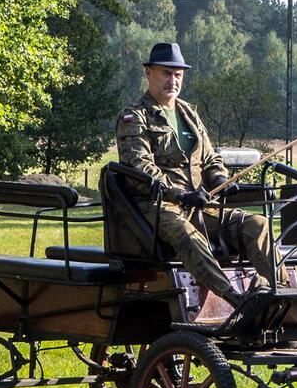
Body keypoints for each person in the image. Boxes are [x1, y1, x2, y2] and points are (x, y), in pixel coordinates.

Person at [115, 42, 283, 325]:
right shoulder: (135, 117)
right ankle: (238, 301)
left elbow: (210, 157)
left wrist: (219, 178)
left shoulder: (189, 114)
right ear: (148, 73)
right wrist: (180, 194)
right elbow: (139, 167)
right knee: (188, 235)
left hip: (201, 205)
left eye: (178, 74)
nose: (173, 80)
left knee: (257, 225)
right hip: (157, 209)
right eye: (166, 73)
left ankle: (281, 295)